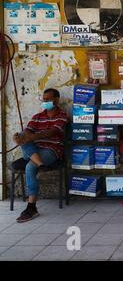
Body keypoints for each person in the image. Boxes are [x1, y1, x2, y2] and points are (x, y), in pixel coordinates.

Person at [13, 88, 68, 223]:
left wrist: (30, 137)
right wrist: (19, 137)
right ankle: (39, 163)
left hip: (51, 151)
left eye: (48, 99)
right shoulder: (37, 116)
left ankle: (31, 207)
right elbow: (27, 132)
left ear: (56, 100)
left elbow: (52, 132)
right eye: (44, 99)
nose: (45, 101)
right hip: (35, 149)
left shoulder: (62, 115)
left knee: (29, 167)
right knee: (22, 137)